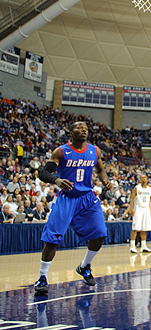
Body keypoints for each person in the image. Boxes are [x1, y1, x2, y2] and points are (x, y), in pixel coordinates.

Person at [34, 121, 112, 295]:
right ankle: (42, 278)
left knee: (100, 234)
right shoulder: (61, 151)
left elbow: (101, 169)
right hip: (67, 198)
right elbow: (43, 173)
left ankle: (85, 266)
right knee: (52, 240)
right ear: (70, 132)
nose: (83, 130)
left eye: (85, 128)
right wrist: (57, 180)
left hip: (87, 198)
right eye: (78, 128)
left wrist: (105, 180)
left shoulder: (94, 150)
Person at [126, 174, 151, 254]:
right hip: (138, 207)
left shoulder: (149, 189)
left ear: (147, 179)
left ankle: (143, 246)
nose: (143, 179)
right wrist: (131, 208)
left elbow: (150, 200)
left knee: (144, 228)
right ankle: (132, 246)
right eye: (142, 178)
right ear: (140, 179)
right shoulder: (137, 188)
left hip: (146, 209)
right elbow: (132, 198)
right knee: (135, 228)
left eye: (145, 177)